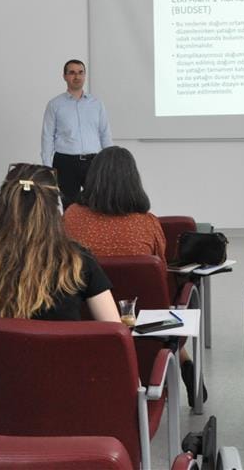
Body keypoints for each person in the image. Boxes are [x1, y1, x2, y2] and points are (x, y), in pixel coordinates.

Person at [62, 146, 206, 405]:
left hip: (84, 323)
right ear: (133, 181)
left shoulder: (71, 218)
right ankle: (183, 359)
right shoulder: (147, 223)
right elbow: (161, 275)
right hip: (145, 326)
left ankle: (184, 359)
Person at [0, 163, 120, 327]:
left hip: (5, 346)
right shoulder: (77, 260)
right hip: (67, 345)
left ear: (2, 207)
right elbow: (114, 329)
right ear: (54, 208)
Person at [63, 146, 165, 260]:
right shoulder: (148, 223)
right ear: (134, 182)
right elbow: (160, 268)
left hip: (83, 272)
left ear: (91, 178)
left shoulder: (72, 215)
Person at [41, 59, 112, 207]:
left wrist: (111, 161)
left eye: (80, 72)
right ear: (65, 76)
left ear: (85, 75)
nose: (77, 76)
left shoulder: (97, 104)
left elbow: (105, 134)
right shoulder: (55, 104)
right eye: (72, 73)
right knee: (69, 208)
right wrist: (47, 168)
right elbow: (47, 136)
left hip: (93, 162)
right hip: (65, 162)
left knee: (97, 205)